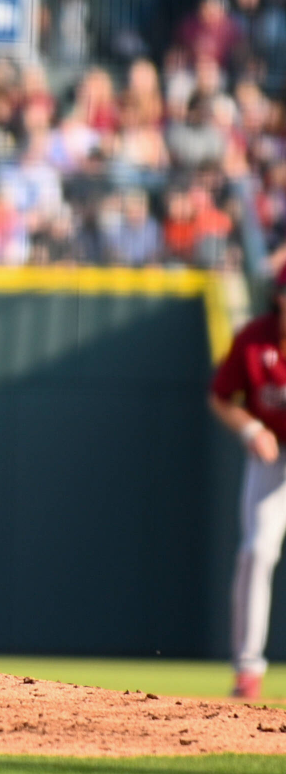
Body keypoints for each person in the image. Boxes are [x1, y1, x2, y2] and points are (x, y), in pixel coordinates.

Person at [209, 263, 286, 701]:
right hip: (272, 456)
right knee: (256, 552)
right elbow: (221, 396)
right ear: (279, 296)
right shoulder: (255, 338)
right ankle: (247, 672)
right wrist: (251, 429)